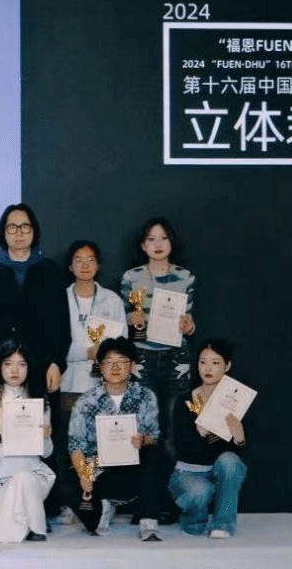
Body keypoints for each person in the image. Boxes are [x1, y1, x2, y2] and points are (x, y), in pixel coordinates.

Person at [66, 337, 164, 541]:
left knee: (155, 453)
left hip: (134, 467)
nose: (115, 367)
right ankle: (105, 505)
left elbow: (154, 436)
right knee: (73, 487)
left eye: (122, 361)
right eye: (108, 362)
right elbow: (76, 445)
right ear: (100, 366)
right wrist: (84, 475)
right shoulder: (86, 401)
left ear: (133, 365)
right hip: (100, 470)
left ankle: (148, 520)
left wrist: (143, 440)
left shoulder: (146, 396)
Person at [55, 239, 126, 518]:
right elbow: (54, 341)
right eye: (79, 260)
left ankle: (100, 499)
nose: (85, 265)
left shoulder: (112, 300)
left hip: (102, 385)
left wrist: (106, 354)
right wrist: (86, 351)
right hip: (69, 382)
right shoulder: (59, 298)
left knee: (100, 444)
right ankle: (71, 501)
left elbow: (123, 342)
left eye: (90, 260)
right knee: (70, 443)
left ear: (98, 265)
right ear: (70, 266)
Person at [119, 217, 197, 451]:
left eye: (164, 238)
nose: (158, 244)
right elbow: (123, 318)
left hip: (176, 356)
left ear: (172, 242)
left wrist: (189, 327)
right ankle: (146, 472)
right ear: (143, 246)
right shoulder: (131, 277)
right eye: (151, 239)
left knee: (175, 421)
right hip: (142, 355)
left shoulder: (186, 277)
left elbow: (188, 319)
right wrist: (131, 319)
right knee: (144, 423)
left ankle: (176, 472)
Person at [0, 203, 68, 398]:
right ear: (3, 232)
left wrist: (57, 363)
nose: (19, 233)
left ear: (34, 230)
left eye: (25, 226)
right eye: (12, 227)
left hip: (42, 366)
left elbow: (61, 323)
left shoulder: (51, 271)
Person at [168, 338, 247, 538]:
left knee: (230, 461)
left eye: (215, 362)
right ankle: (192, 522)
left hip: (217, 470)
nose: (208, 368)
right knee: (199, 491)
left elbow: (235, 455)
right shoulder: (184, 401)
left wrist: (239, 438)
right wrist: (201, 432)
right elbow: (182, 448)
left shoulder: (236, 401)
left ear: (227, 366)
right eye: (203, 362)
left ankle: (223, 524)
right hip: (188, 473)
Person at [0, 340, 55, 543]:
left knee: (24, 477)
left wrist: (46, 436)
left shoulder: (39, 400)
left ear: (29, 368)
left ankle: (36, 526)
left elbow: (47, 452)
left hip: (32, 473)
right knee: (4, 535)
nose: (15, 370)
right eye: (8, 364)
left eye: (21, 364)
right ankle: (27, 520)